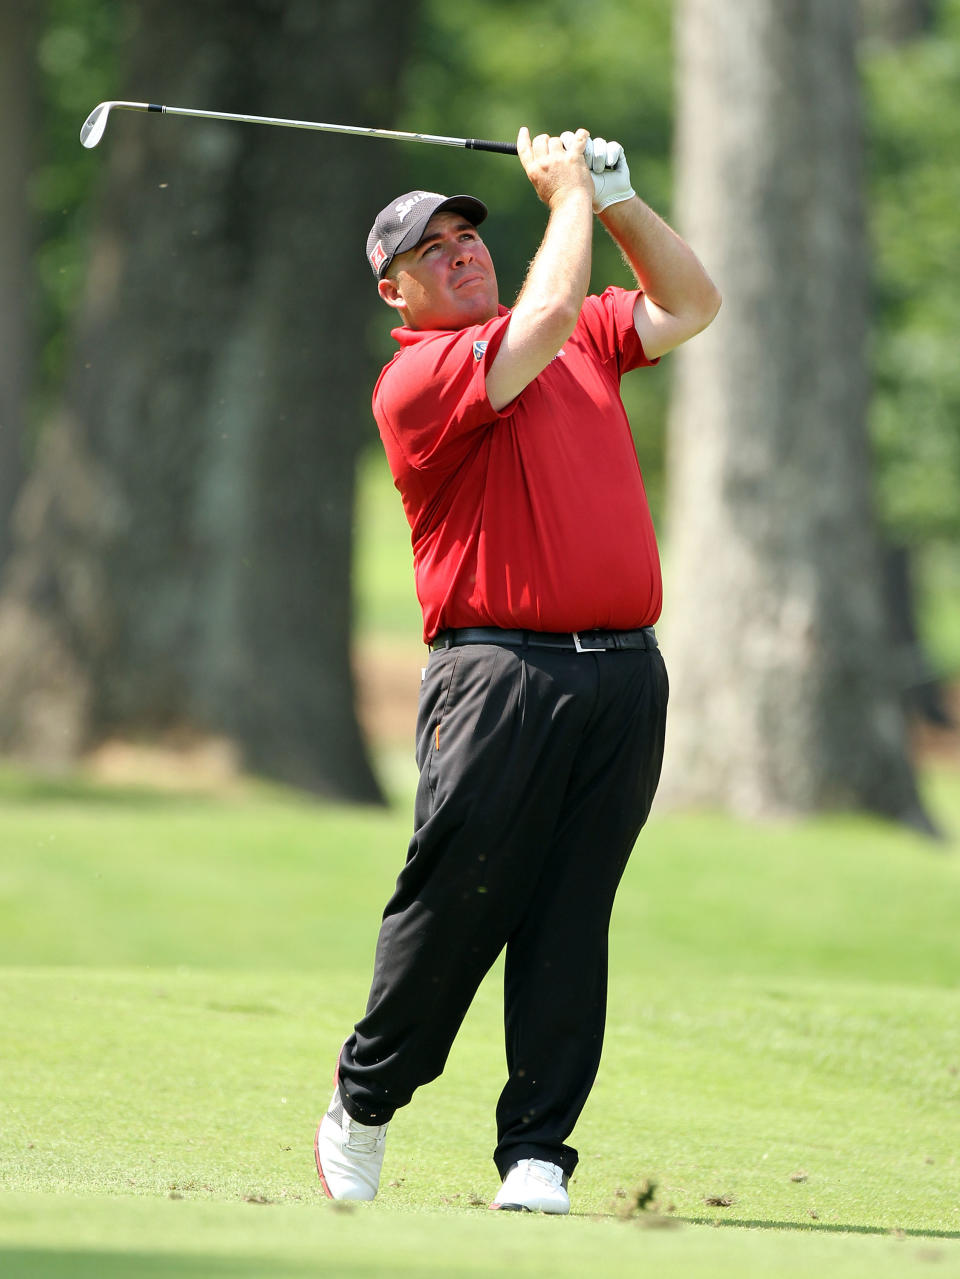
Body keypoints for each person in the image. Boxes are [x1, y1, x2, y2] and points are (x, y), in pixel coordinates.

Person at [315, 127, 721, 1213]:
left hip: (624, 678)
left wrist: (621, 200)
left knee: (570, 913)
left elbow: (690, 305)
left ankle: (536, 1150)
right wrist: (567, 198)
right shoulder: (420, 377)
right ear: (395, 295)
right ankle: (365, 1097)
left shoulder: (578, 336)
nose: (460, 252)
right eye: (430, 249)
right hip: (499, 675)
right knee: (457, 904)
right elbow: (540, 319)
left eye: (467, 234)